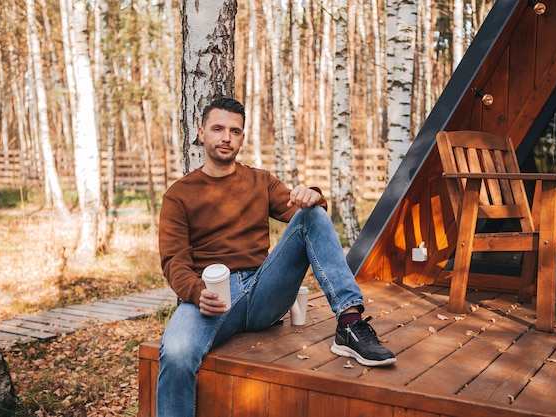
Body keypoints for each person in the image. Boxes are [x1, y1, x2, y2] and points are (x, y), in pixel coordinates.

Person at [156, 97, 395, 416]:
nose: (226, 137)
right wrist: (197, 292)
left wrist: (312, 196)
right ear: (201, 133)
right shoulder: (179, 194)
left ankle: (350, 323)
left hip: (263, 292)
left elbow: (306, 212)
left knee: (313, 215)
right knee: (175, 352)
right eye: (218, 129)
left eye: (234, 131)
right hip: (211, 298)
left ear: (242, 137)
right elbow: (174, 261)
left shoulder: (260, 181)